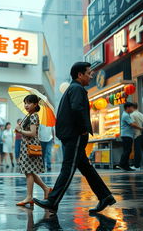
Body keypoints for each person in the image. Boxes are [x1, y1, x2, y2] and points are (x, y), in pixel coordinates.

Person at [33, 62, 115, 214]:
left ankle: (53, 201)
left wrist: (82, 129)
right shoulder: (77, 89)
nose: (91, 76)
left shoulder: (74, 88)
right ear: (80, 74)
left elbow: (76, 109)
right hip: (74, 134)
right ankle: (105, 196)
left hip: (74, 135)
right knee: (84, 168)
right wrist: (83, 129)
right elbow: (77, 109)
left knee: (68, 168)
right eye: (89, 73)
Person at [15, 94, 52, 206]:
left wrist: (20, 131)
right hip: (27, 145)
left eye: (29, 103)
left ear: (35, 104)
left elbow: (32, 133)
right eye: (25, 103)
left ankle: (29, 197)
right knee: (29, 171)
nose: (26, 105)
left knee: (28, 172)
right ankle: (46, 189)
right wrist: (20, 129)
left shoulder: (33, 116)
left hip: (30, 146)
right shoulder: (29, 115)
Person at [119, 102, 142, 172]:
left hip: (127, 135)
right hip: (126, 135)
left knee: (127, 150)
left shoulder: (126, 115)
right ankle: (123, 165)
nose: (132, 109)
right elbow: (132, 124)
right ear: (128, 108)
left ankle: (125, 165)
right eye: (131, 107)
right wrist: (140, 128)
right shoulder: (126, 115)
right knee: (127, 151)